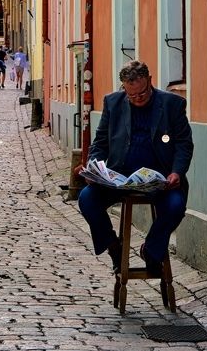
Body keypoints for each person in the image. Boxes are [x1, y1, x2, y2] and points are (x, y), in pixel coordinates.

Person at [76, 60, 193, 275]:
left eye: (142, 93)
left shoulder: (172, 105)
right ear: (124, 88)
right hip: (119, 178)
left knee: (175, 207)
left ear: (150, 81)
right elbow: (100, 143)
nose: (138, 98)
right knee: (87, 199)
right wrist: (94, 168)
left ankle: (151, 251)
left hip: (161, 181)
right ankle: (113, 246)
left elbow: (183, 144)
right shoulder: (113, 103)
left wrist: (177, 172)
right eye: (131, 95)